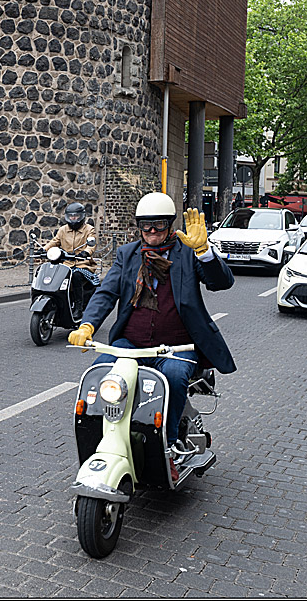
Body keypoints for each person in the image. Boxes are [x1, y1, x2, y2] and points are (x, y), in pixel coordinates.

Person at [68, 192, 235, 482]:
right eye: (146, 227)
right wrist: (87, 326)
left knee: (172, 377)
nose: (153, 232)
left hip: (177, 345)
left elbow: (221, 282)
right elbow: (106, 292)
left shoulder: (187, 251)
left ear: (170, 225)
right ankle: (103, 443)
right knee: (99, 374)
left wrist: (205, 252)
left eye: (158, 225)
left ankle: (169, 447)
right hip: (131, 343)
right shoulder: (127, 254)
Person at [45, 202, 100, 308]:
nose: (73, 218)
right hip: (66, 264)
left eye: (76, 216)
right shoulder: (63, 230)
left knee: (76, 276)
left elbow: (91, 244)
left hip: (83, 265)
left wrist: (86, 252)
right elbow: (55, 241)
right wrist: (43, 249)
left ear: (81, 216)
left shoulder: (89, 229)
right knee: (50, 272)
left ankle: (78, 307)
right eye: (71, 216)